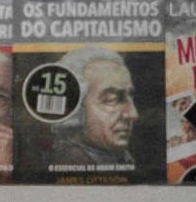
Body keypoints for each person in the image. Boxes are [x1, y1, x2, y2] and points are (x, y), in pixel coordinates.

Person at [47, 45, 139, 176]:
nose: (133, 114)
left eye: (130, 97)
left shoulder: (122, 160)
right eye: (111, 99)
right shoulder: (69, 166)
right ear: (75, 108)